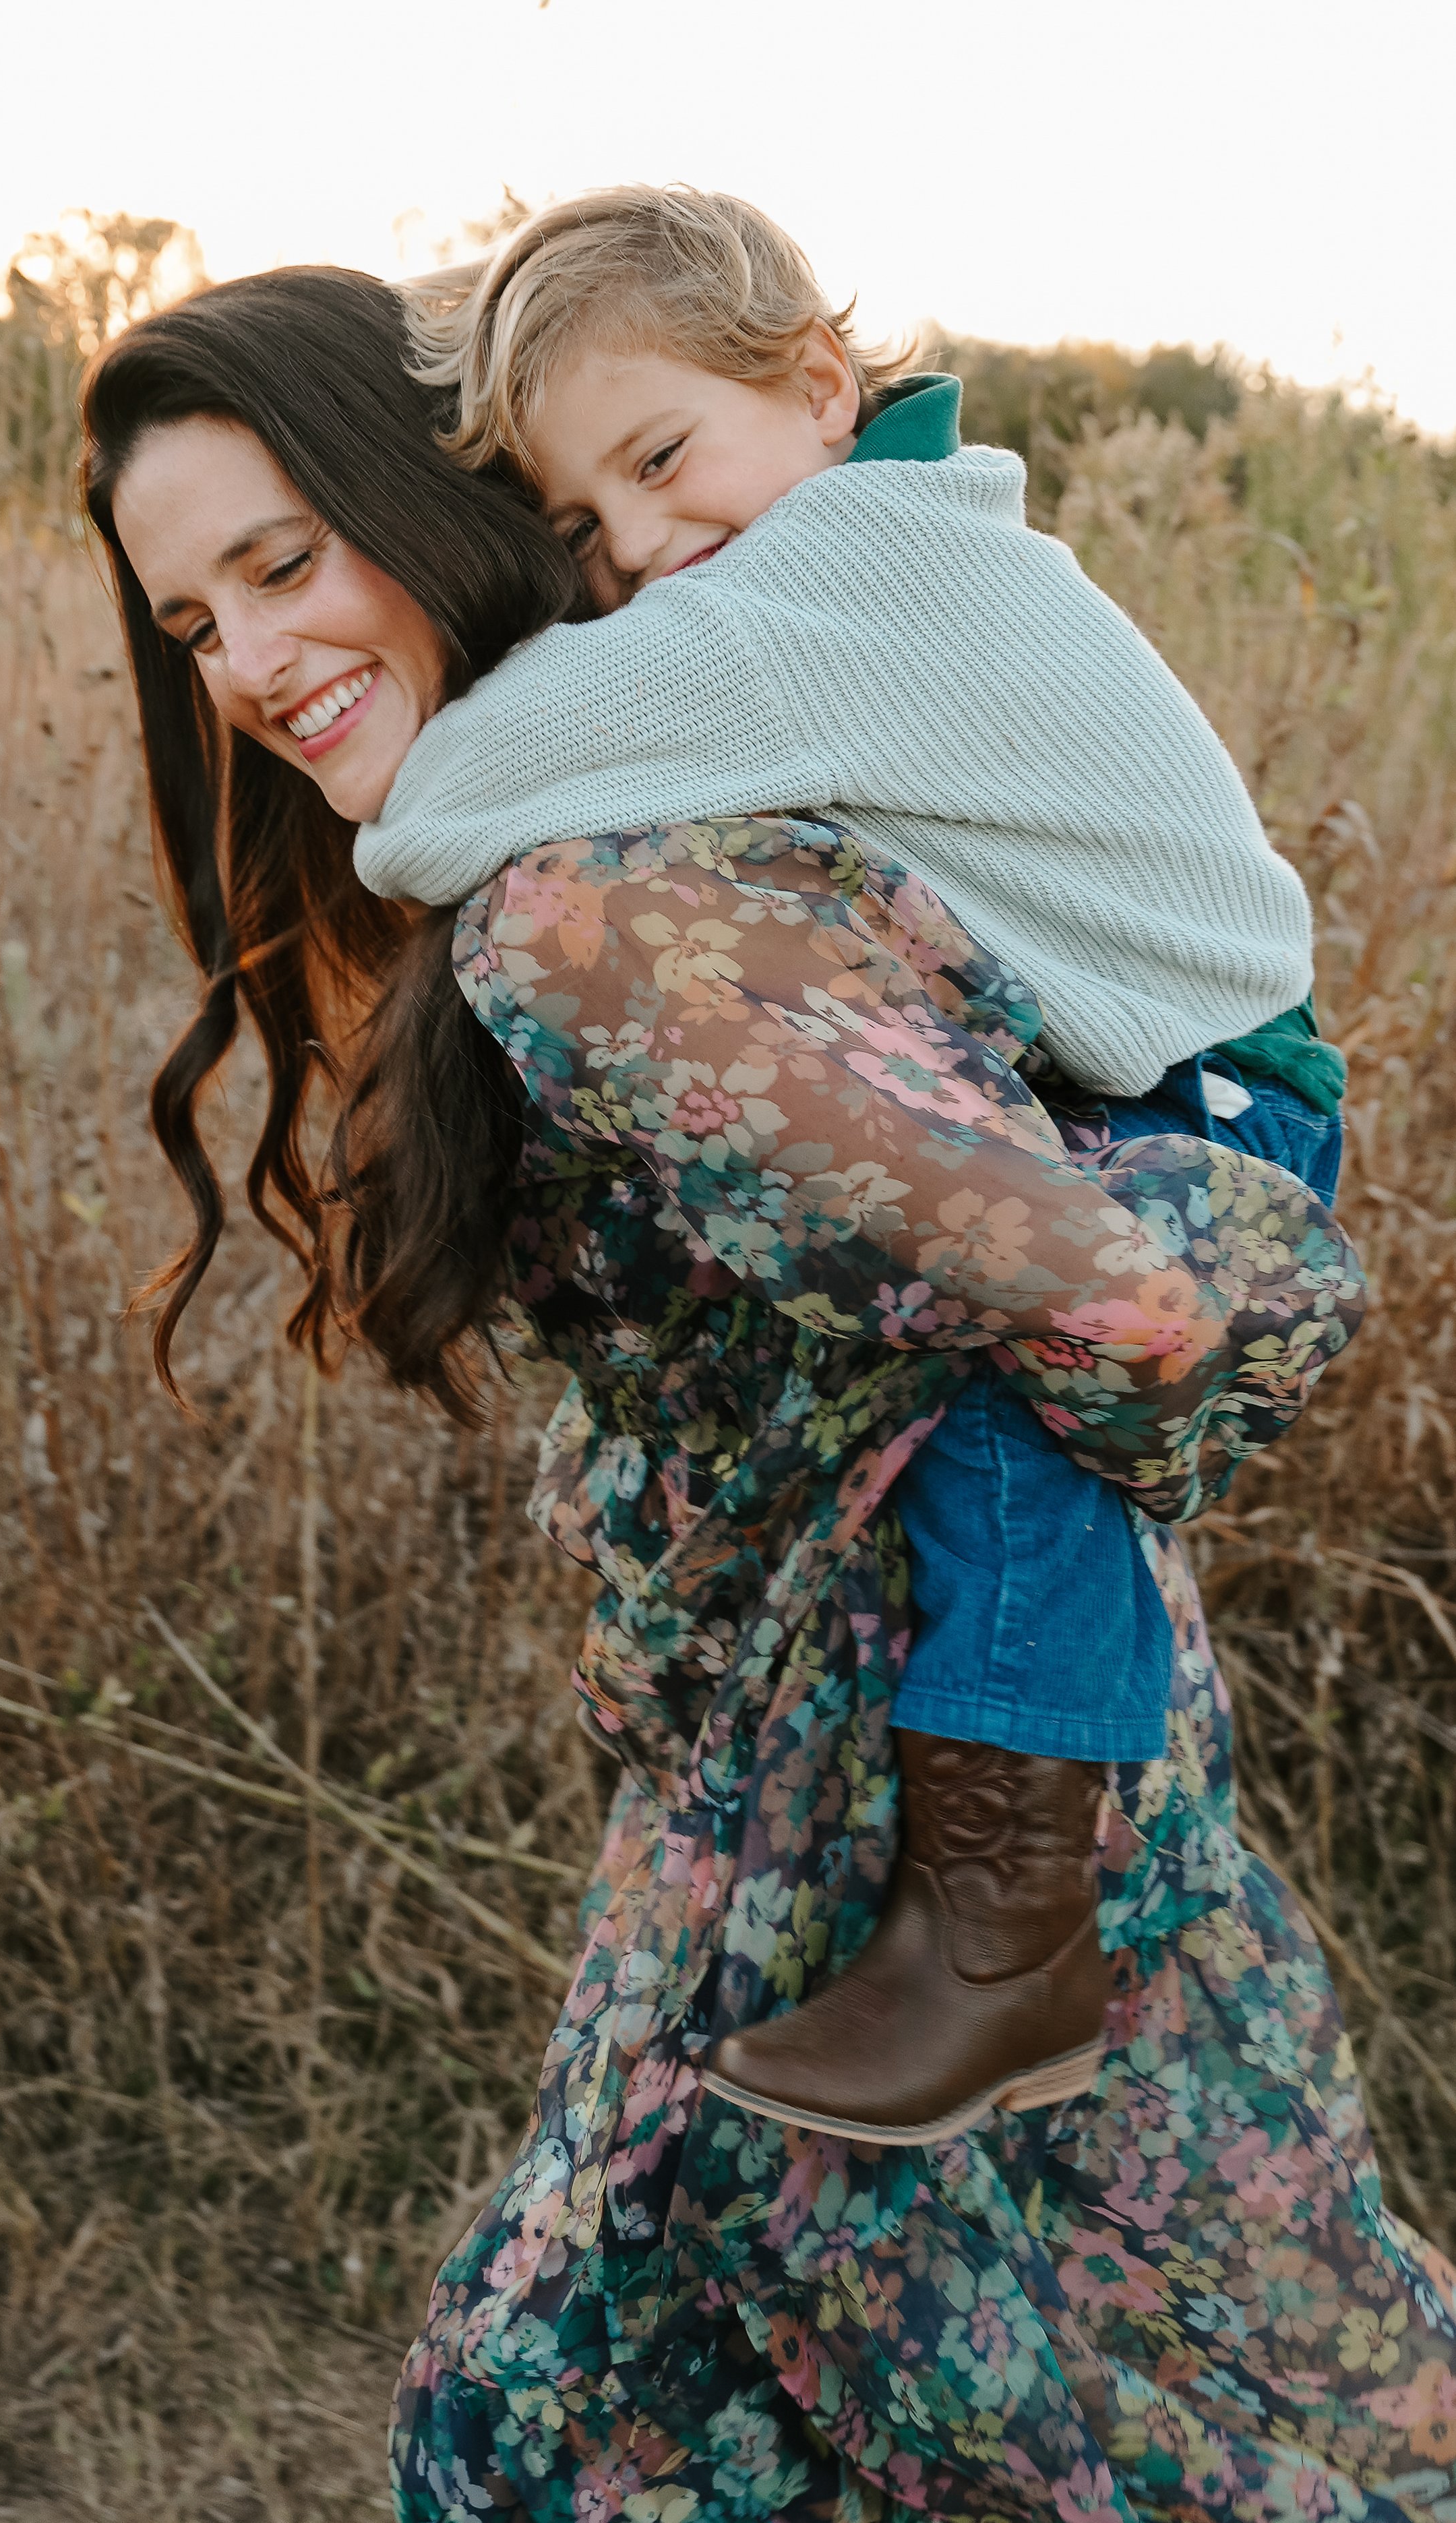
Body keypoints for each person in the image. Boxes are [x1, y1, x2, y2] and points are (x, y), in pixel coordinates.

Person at [78, 268, 1453, 2523]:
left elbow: (1134, 1313)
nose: (238, 664)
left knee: (620, 2441)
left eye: (280, 564)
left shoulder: (600, 911)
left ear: (437, 516)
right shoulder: (634, 840)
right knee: (1250, 2390)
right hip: (795, 1794)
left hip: (903, 1806)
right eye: (189, 618)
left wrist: (1244, 1234)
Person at [355, 185, 1348, 2145]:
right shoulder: (909, 528)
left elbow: (444, 801)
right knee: (993, 1391)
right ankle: (1001, 1935)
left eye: (659, 459)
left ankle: (1003, 1937)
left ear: (815, 381)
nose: (642, 550)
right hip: (1163, 1065)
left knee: (1015, 1418)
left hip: (1201, 1098)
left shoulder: (844, 577)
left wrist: (443, 773)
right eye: (583, 526)